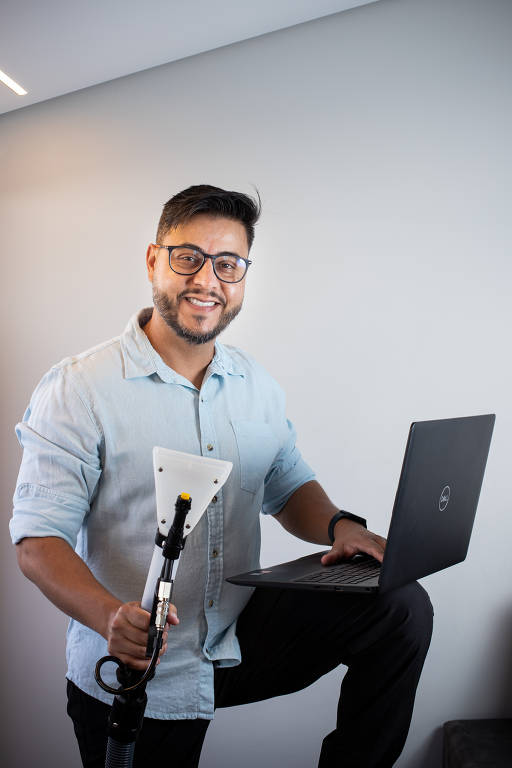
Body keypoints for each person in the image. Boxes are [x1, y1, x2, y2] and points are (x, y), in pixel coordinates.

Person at [11, 185, 433, 768]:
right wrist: (108, 614)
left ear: (242, 277)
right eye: (188, 258)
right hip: (141, 667)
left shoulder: (254, 382)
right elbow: (38, 543)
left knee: (399, 607)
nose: (207, 280)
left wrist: (339, 525)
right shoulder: (78, 388)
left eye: (228, 264)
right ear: (154, 260)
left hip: (237, 640)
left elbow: (288, 482)